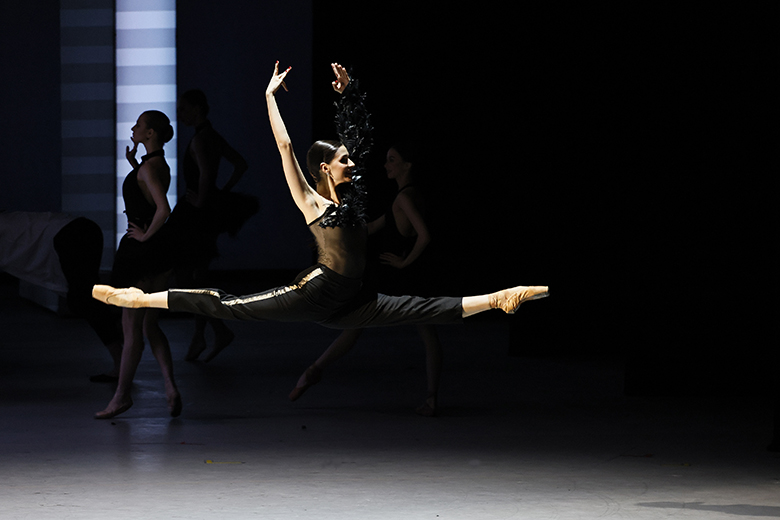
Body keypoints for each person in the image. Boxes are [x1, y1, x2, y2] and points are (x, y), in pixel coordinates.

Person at [92, 64, 549, 410]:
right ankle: (138, 299)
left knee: (424, 308)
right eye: (345, 161)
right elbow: (286, 148)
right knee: (228, 304)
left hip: (353, 297)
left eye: (351, 160)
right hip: (317, 292)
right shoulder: (314, 202)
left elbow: (361, 141)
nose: (354, 164)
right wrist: (270, 98)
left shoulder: (354, 200)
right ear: (325, 170)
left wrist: (348, 94)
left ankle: (499, 299)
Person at [289, 142, 446, 416]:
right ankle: (431, 398)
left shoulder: (404, 198)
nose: (387, 165)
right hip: (409, 276)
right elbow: (369, 229)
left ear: (407, 166)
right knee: (424, 333)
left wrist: (403, 262)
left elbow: (425, 235)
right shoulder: (408, 195)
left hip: (402, 277)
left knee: (359, 325)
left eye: (392, 160)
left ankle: (314, 370)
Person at [94, 110, 181, 420]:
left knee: (131, 328)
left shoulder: (149, 169)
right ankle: (170, 387)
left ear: (150, 134)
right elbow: (149, 193)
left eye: (139, 125)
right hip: (158, 256)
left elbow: (163, 208)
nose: (133, 128)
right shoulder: (155, 165)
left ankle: (121, 397)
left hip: (141, 256)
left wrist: (143, 237)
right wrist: (135, 166)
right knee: (149, 326)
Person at [171, 89, 255, 363]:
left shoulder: (199, 139)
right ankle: (207, 334)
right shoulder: (212, 136)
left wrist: (202, 201)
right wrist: (221, 193)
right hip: (205, 213)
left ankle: (213, 333)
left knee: (191, 279)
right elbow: (240, 164)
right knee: (197, 278)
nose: (179, 114)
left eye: (183, 109)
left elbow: (206, 173)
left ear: (196, 109)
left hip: (196, 215)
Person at [0, 211, 123, 380]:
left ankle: (121, 356)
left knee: (85, 301)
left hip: (72, 233)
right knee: (84, 301)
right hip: (80, 229)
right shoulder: (10, 222)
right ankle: (121, 340)